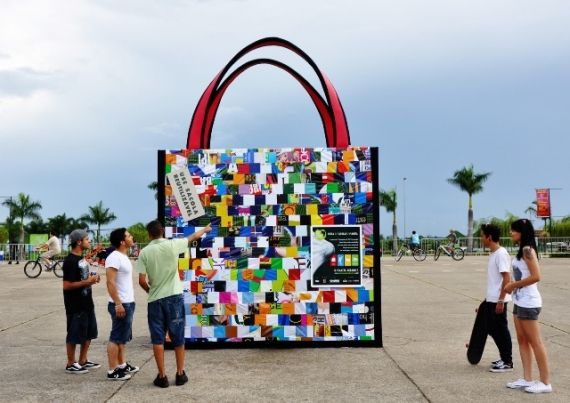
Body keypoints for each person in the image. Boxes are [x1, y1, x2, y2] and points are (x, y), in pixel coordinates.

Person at [137, 220, 212, 388]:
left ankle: (162, 376)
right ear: (162, 231)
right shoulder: (173, 245)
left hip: (155, 300)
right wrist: (206, 229)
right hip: (175, 298)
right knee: (177, 337)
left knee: (158, 339)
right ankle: (179, 374)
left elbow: (141, 281)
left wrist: (151, 291)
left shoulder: (144, 252)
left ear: (149, 234)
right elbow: (192, 237)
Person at [503, 219, 552, 393]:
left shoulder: (527, 250)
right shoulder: (522, 249)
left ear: (522, 232)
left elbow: (536, 276)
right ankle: (527, 379)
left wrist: (512, 285)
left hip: (529, 302)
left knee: (535, 342)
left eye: (513, 231)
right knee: (522, 340)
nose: (510, 233)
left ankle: (545, 382)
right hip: (519, 301)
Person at [62, 229, 101, 374]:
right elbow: (67, 285)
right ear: (79, 242)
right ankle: (71, 363)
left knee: (89, 332)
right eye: (86, 239)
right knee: (73, 334)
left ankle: (83, 360)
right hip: (75, 305)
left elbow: (82, 278)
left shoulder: (81, 260)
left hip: (87, 303)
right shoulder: (70, 261)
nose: (89, 241)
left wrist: (92, 278)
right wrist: (87, 282)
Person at [105, 228, 138, 381]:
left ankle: (122, 365)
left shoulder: (123, 256)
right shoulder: (114, 258)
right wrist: (118, 304)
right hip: (120, 303)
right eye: (129, 235)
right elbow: (110, 282)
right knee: (116, 337)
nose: (132, 237)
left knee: (122, 337)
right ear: (122, 241)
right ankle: (112, 371)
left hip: (128, 302)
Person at [480, 223, 513, 373]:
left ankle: (507, 361)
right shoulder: (493, 254)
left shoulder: (501, 254)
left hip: (499, 300)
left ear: (489, 237)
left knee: (500, 329)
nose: (481, 239)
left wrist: (501, 300)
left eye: (482, 236)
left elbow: (507, 278)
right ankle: (504, 357)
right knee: (492, 328)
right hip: (492, 299)